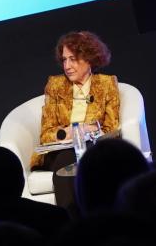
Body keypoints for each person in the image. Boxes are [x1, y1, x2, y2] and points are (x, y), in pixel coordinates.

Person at [32, 31, 121, 171]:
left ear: (89, 58)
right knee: (67, 159)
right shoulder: (55, 85)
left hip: (93, 149)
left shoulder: (107, 84)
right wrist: (71, 132)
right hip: (60, 153)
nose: (67, 66)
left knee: (90, 159)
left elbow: (112, 131)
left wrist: (88, 130)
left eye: (72, 59)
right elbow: (46, 135)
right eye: (64, 60)